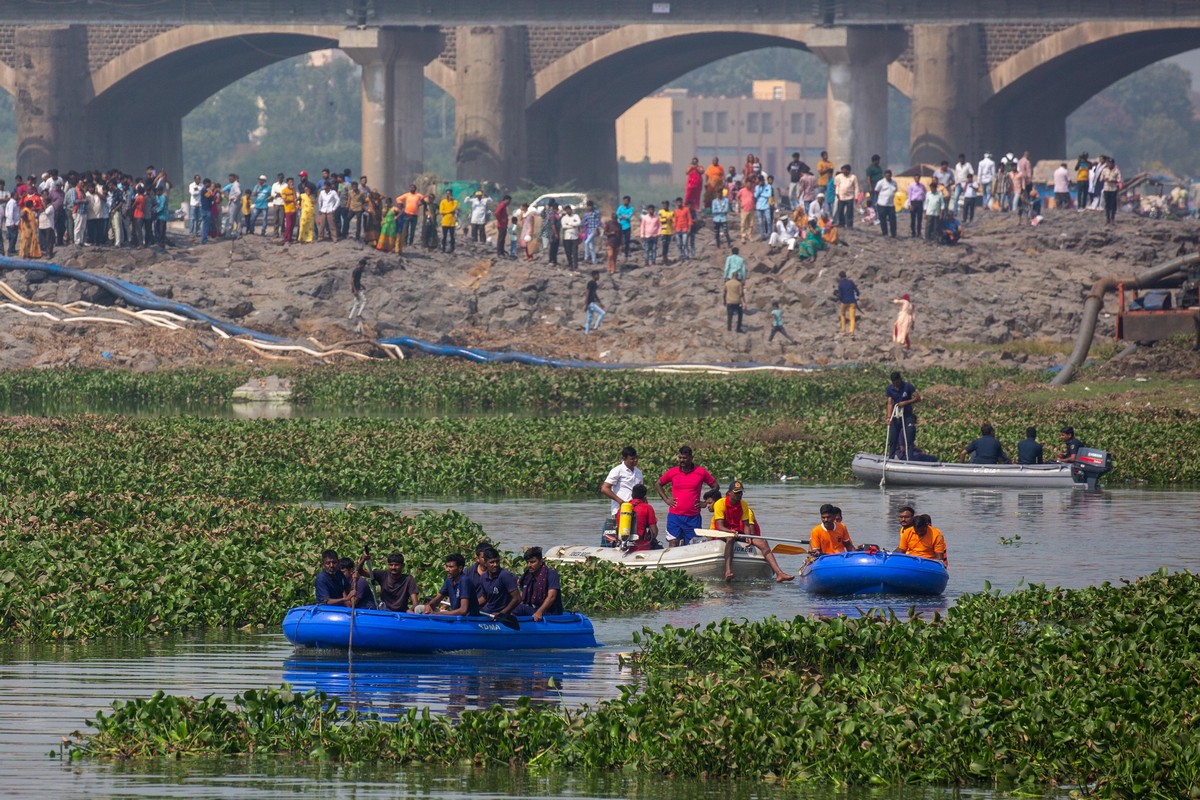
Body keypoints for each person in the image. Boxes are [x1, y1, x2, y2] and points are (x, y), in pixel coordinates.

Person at [711, 480, 794, 583]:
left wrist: (748, 536)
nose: (739, 495)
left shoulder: (744, 504)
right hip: (723, 532)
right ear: (729, 493)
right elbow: (720, 526)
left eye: (740, 492)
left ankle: (779, 573)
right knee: (730, 538)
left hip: (737, 531)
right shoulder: (720, 503)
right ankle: (728, 571)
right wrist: (730, 531)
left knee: (762, 542)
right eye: (736, 492)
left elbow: (746, 525)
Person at [656, 445, 718, 547]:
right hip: (675, 516)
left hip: (693, 517)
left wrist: (705, 503)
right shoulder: (673, 472)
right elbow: (658, 484)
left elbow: (715, 486)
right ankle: (671, 563)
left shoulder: (701, 472)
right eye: (680, 458)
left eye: (685, 458)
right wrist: (666, 499)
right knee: (673, 542)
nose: (682, 460)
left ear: (691, 458)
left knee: (692, 545)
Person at [601, 446, 643, 546]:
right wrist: (621, 502)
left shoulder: (638, 472)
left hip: (636, 509)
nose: (635, 461)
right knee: (621, 536)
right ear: (624, 458)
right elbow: (604, 488)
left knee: (634, 536)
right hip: (620, 509)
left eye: (636, 458)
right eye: (632, 459)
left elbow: (641, 492)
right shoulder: (618, 470)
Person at [514, 547, 562, 621]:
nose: (529, 565)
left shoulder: (551, 574)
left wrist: (539, 612)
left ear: (540, 561)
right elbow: (522, 595)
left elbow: (552, 597)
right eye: (528, 562)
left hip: (550, 613)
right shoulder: (527, 576)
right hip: (533, 609)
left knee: (520, 608)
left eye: (533, 562)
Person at [476, 547, 521, 617]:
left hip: (503, 612)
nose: (495, 565)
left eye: (497, 561)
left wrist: (502, 613)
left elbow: (517, 598)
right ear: (485, 563)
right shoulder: (483, 577)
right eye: (491, 562)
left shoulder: (505, 576)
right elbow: (485, 597)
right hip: (488, 611)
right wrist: (472, 604)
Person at [885, 371, 921, 459]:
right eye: (894, 382)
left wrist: (905, 402)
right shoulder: (889, 389)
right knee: (893, 439)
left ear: (900, 379)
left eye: (897, 382)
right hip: (896, 416)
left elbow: (918, 398)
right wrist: (889, 417)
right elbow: (890, 403)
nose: (895, 384)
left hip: (907, 415)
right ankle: (891, 458)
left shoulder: (908, 386)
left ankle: (910, 460)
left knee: (909, 438)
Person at [627, 483, 659, 551]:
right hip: (642, 546)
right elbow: (654, 532)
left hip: (625, 545)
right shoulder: (647, 508)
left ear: (632, 495)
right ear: (645, 496)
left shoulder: (622, 508)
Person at [875, 169, 897, 237]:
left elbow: (895, 190)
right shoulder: (880, 182)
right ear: (885, 176)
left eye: (889, 175)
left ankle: (893, 234)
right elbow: (876, 191)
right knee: (883, 220)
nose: (888, 177)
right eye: (887, 175)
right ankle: (885, 233)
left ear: (891, 175)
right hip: (882, 204)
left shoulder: (894, 182)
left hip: (891, 205)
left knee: (893, 220)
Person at [836, 271, 859, 336]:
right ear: (846, 275)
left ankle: (843, 330)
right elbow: (857, 291)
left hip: (844, 302)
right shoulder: (851, 282)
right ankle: (851, 331)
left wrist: (839, 299)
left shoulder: (840, 284)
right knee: (852, 317)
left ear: (840, 277)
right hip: (852, 301)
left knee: (842, 314)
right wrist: (856, 296)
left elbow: (840, 295)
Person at [584, 270, 605, 334]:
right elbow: (587, 293)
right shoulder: (590, 283)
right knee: (602, 313)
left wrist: (600, 302)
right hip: (590, 303)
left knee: (589, 319)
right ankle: (595, 327)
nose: (599, 277)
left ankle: (586, 333)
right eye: (598, 275)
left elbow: (595, 294)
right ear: (594, 276)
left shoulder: (595, 284)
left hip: (591, 303)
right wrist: (586, 304)